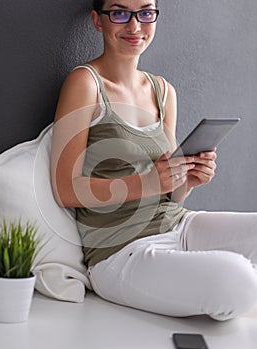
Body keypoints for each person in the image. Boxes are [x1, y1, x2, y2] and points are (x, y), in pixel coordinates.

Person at [51, 0, 257, 321]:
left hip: (179, 224)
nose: (135, 27)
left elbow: (170, 194)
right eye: (120, 13)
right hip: (120, 252)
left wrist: (187, 179)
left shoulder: (163, 91)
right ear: (97, 20)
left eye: (145, 13)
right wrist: (146, 182)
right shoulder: (85, 83)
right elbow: (64, 188)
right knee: (239, 280)